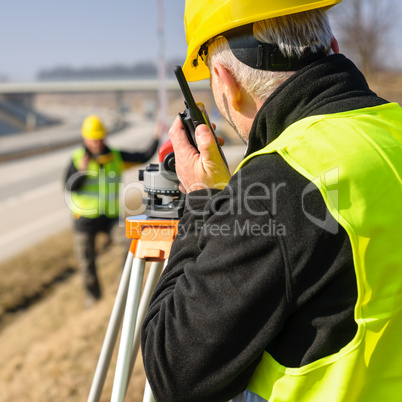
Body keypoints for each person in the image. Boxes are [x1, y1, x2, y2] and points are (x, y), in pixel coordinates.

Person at [140, 0, 402, 401]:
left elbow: (174, 370)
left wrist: (200, 200)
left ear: (224, 81)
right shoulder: (393, 129)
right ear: (331, 46)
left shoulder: (279, 182)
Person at [64, 115, 158, 305]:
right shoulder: (77, 160)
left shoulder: (115, 156)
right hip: (84, 219)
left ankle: (122, 286)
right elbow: (69, 187)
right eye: (93, 139)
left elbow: (143, 156)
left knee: (130, 243)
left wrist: (156, 137)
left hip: (109, 218)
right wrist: (81, 171)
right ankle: (93, 299)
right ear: (85, 139)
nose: (97, 143)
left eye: (100, 138)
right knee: (86, 264)